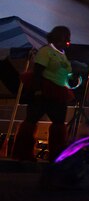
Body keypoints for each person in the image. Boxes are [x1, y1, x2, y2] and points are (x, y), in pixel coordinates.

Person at [11, 26, 73, 162]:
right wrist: (38, 90)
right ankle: (24, 153)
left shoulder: (63, 54)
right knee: (31, 120)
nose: (67, 40)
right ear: (56, 37)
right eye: (64, 37)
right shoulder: (46, 51)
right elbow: (38, 71)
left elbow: (65, 73)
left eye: (68, 37)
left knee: (59, 123)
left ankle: (57, 155)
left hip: (59, 91)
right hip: (43, 89)